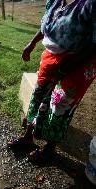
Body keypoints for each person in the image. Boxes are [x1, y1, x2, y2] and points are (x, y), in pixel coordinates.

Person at [8, 0, 96, 162]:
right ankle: (28, 137)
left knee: (60, 107)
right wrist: (31, 43)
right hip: (51, 57)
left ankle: (50, 148)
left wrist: (65, 68)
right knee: (38, 96)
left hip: (77, 65)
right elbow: (46, 24)